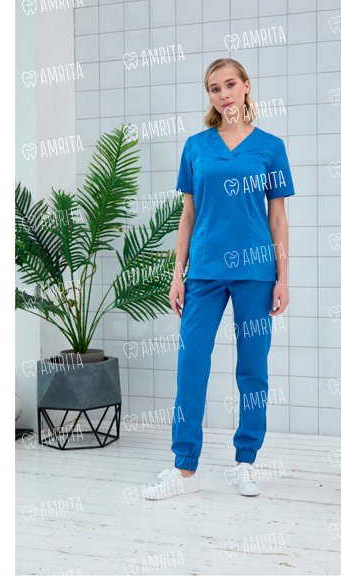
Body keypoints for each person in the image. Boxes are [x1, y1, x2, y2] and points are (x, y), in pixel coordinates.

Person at [144, 58, 295, 501]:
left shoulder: (270, 147)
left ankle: (245, 462)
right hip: (205, 272)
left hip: (255, 272)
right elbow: (187, 216)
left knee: (253, 369)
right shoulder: (196, 147)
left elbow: (278, 217)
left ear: (246, 86)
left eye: (230, 84)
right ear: (209, 96)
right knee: (191, 365)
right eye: (215, 88)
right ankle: (184, 469)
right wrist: (177, 275)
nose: (224, 94)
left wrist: (283, 277)